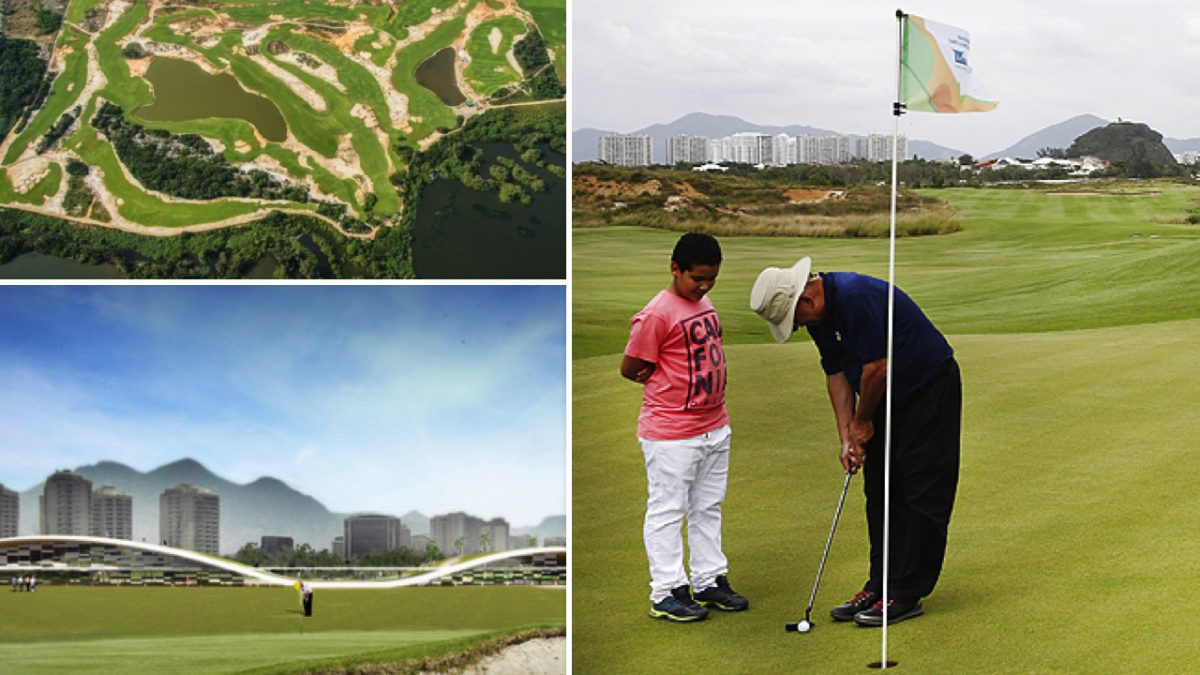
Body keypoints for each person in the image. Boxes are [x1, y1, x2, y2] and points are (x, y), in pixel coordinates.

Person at [750, 257, 962, 627]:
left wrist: (863, 421)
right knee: (880, 492)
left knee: (921, 490)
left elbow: (877, 368)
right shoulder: (820, 317)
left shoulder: (855, 297)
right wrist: (847, 436)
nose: (799, 327)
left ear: (807, 301)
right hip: (880, 395)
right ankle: (879, 584)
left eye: (795, 321)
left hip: (926, 389)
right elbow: (835, 373)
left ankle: (906, 592)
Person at [621, 232, 748, 623]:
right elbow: (630, 367)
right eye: (697, 278)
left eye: (712, 278)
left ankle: (708, 580)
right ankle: (667, 591)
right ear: (675, 269)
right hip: (672, 431)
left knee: (707, 507)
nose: (705, 285)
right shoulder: (658, 313)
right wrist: (664, 381)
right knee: (668, 511)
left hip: (714, 425)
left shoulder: (703, 302)